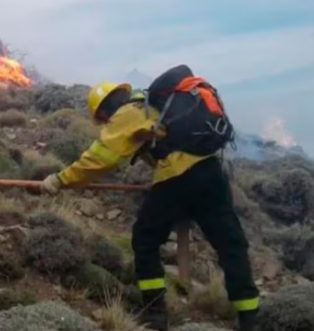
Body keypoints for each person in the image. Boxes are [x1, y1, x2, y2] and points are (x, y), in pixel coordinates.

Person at [40, 81, 259, 331]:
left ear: (103, 110)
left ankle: (155, 315)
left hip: (176, 177)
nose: (103, 123)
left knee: (145, 239)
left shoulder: (128, 113)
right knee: (230, 243)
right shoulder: (153, 106)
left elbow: (102, 158)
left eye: (101, 118)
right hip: (211, 172)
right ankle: (249, 317)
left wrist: (60, 180)